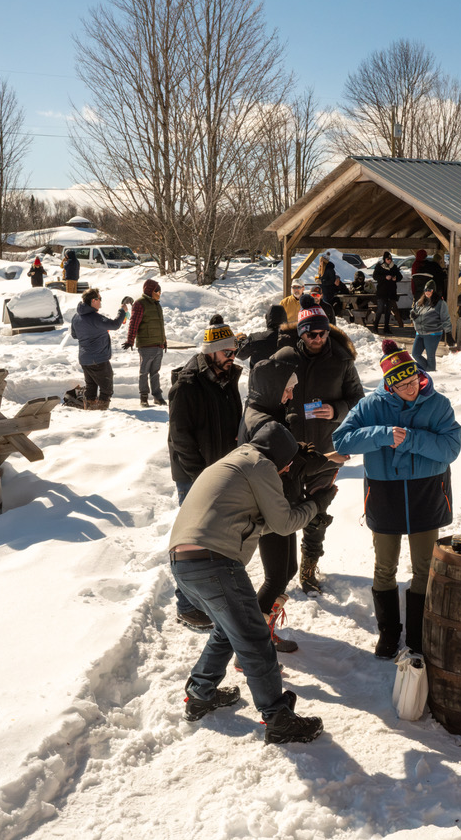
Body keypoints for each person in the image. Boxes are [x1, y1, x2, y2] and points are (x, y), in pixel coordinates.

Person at [169, 420, 331, 744]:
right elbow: (285, 524)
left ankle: (201, 693)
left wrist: (307, 512)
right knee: (255, 636)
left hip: (183, 562)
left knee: (228, 630)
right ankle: (277, 717)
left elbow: (259, 525)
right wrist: (315, 505)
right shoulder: (261, 465)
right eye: (287, 464)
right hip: (214, 562)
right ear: (280, 456)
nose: (286, 470)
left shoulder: (234, 461)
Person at [333, 339, 461, 659]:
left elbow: (450, 448)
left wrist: (410, 440)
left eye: (414, 380)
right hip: (385, 493)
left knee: (424, 568)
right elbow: (341, 440)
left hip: (426, 491)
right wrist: (381, 434)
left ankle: (418, 636)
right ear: (389, 384)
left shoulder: (438, 404)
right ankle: (389, 633)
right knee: (384, 567)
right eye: (401, 384)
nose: (411, 388)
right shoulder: (370, 406)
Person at [272, 294, 365, 594]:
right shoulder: (286, 359)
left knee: (318, 510)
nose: (319, 338)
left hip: (326, 448)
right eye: (312, 334)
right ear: (301, 333)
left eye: (324, 332)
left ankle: (308, 566)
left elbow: (358, 399)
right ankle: (279, 573)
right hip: (288, 448)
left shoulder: (341, 360)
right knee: (283, 511)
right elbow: (266, 398)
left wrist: (336, 410)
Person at [237, 358, 331, 652]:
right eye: (287, 389)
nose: (290, 395)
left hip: (282, 503)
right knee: (277, 575)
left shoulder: (265, 413)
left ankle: (263, 633)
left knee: (287, 569)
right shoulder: (263, 422)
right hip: (271, 507)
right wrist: (324, 460)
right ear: (271, 387)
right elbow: (287, 465)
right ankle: (252, 646)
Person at [166, 315, 244, 631]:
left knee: (215, 538)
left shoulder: (226, 378)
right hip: (194, 475)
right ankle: (187, 607)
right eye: (227, 352)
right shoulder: (187, 385)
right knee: (191, 542)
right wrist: (201, 477)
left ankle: (210, 598)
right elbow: (180, 437)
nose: (232, 357)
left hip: (220, 470)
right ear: (211, 351)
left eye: (235, 352)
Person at [70, 287, 128, 410]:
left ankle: (90, 410)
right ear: (93, 300)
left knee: (91, 387)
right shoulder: (94, 318)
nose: (101, 301)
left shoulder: (76, 317)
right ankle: (102, 411)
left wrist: (93, 331)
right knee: (107, 388)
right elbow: (114, 325)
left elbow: (75, 335)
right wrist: (122, 311)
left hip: (85, 359)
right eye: (99, 298)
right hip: (98, 359)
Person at [124, 279, 167, 407]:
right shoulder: (139, 304)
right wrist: (130, 340)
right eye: (157, 291)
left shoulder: (156, 305)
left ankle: (157, 396)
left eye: (160, 291)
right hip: (146, 345)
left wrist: (164, 341)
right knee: (144, 372)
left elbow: (160, 326)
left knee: (155, 372)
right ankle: (143, 397)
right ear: (150, 291)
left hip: (158, 344)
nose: (159, 293)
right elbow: (134, 323)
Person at [409, 280, 451, 372]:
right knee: (415, 354)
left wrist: (448, 333)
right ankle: (428, 370)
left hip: (433, 333)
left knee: (430, 356)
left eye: (430, 290)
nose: (427, 292)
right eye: (426, 290)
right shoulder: (420, 302)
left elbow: (445, 318)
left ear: (433, 291)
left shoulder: (440, 303)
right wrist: (413, 315)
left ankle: (431, 373)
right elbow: (414, 312)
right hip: (419, 333)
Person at [372, 252, 403, 333]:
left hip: (391, 292)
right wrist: (384, 277)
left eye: (390, 259)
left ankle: (386, 328)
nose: (389, 260)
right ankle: (375, 326)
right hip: (382, 292)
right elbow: (375, 276)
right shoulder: (379, 266)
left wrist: (395, 278)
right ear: (384, 259)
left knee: (388, 310)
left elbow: (400, 276)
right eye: (387, 259)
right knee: (380, 309)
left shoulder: (394, 267)